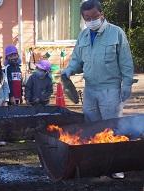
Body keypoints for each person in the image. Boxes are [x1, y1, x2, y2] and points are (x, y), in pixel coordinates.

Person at [62, 0, 134, 179]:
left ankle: (116, 166)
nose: (91, 20)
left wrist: (126, 84)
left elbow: (125, 62)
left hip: (110, 90)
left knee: (111, 128)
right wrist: (69, 70)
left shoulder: (116, 33)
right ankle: (97, 164)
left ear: (101, 14)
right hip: (90, 90)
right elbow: (77, 60)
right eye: (87, 18)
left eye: (94, 17)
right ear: (83, 18)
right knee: (92, 128)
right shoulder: (84, 35)